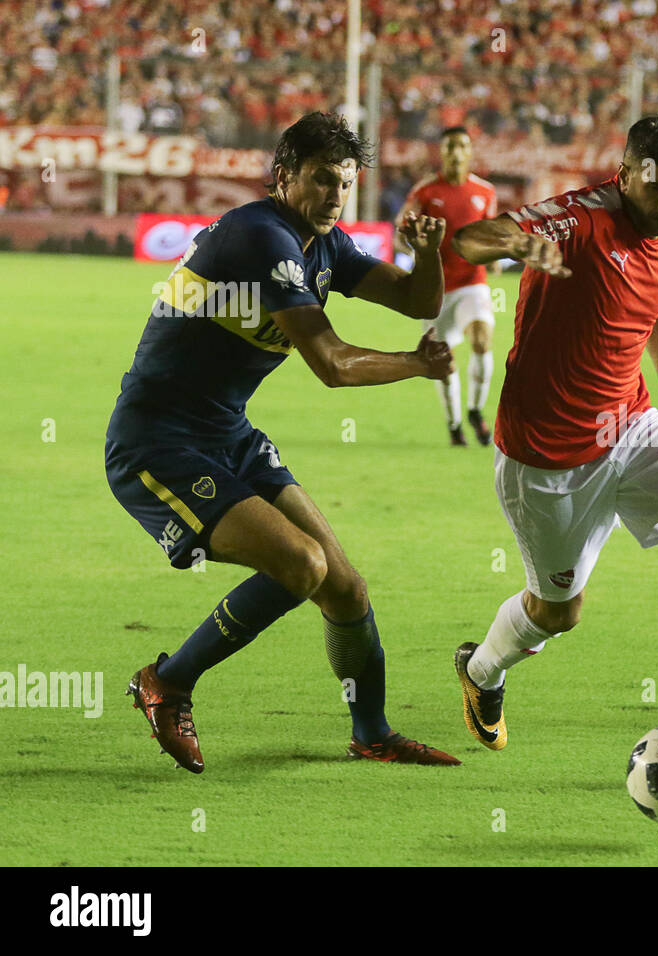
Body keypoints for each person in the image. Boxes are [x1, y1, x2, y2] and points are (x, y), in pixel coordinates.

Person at [108, 112, 461, 772]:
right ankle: (167, 682)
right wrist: (416, 365)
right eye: (323, 180)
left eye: (347, 183)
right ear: (283, 177)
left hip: (228, 435)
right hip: (157, 442)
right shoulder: (260, 236)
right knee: (301, 566)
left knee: (346, 590)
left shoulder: (325, 245)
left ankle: (372, 732)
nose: (336, 195)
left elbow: (416, 300)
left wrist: (431, 252)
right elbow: (329, 364)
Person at [448, 114, 658, 772]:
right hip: (547, 455)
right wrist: (518, 244)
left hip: (631, 425)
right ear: (624, 174)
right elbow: (475, 239)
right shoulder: (577, 219)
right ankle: (482, 670)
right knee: (557, 614)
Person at [395, 127, 498, 446]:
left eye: (462, 146)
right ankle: (454, 425)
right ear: (442, 151)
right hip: (437, 290)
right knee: (444, 361)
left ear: (469, 152)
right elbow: (401, 233)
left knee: (482, 339)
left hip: (473, 284)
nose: (456, 152)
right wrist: (416, 249)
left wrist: (494, 253)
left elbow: (492, 231)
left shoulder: (485, 192)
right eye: (450, 146)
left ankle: (475, 411)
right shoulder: (425, 191)